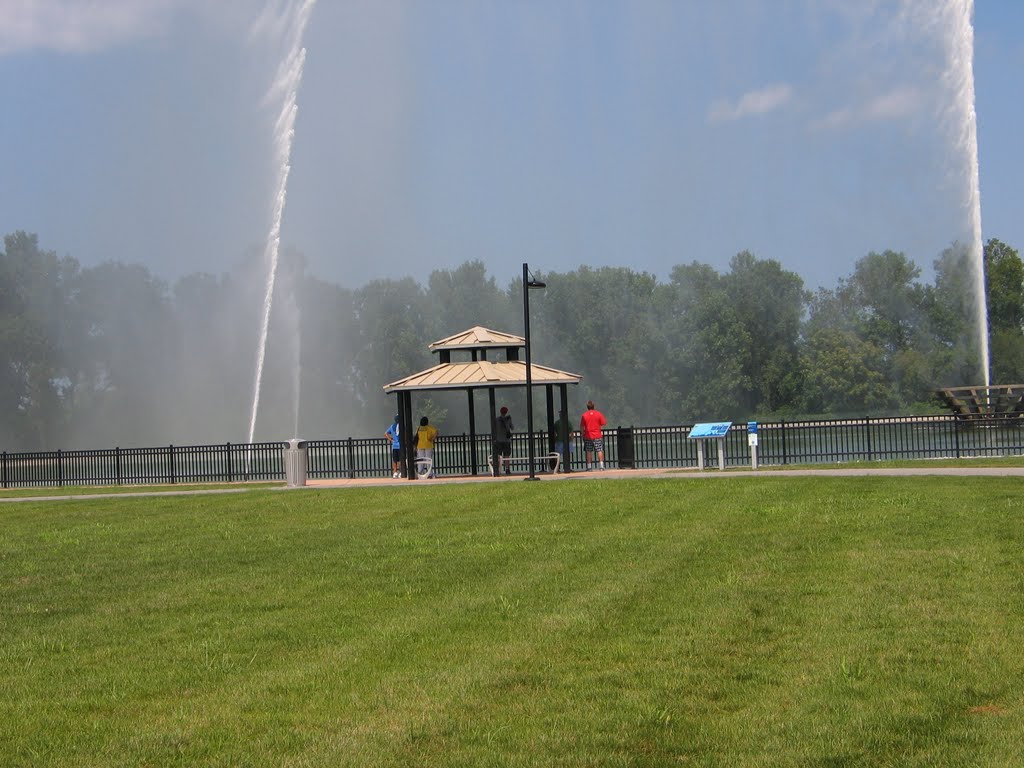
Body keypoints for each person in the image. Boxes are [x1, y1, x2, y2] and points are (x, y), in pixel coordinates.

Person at [579, 400, 607, 470]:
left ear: (587, 407)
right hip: (597, 435)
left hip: (588, 436)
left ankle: (589, 467)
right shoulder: (598, 414)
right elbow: (604, 423)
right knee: (599, 450)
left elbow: (582, 426)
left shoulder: (584, 415)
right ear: (593, 406)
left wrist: (582, 434)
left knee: (588, 451)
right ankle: (601, 466)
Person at [494, 406, 514, 474]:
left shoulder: (496, 420)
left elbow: (494, 429)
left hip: (499, 440)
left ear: (500, 412)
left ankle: (498, 469)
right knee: (507, 456)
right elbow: (512, 428)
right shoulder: (508, 419)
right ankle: (507, 469)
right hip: (506, 441)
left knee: (499, 456)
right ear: (506, 412)